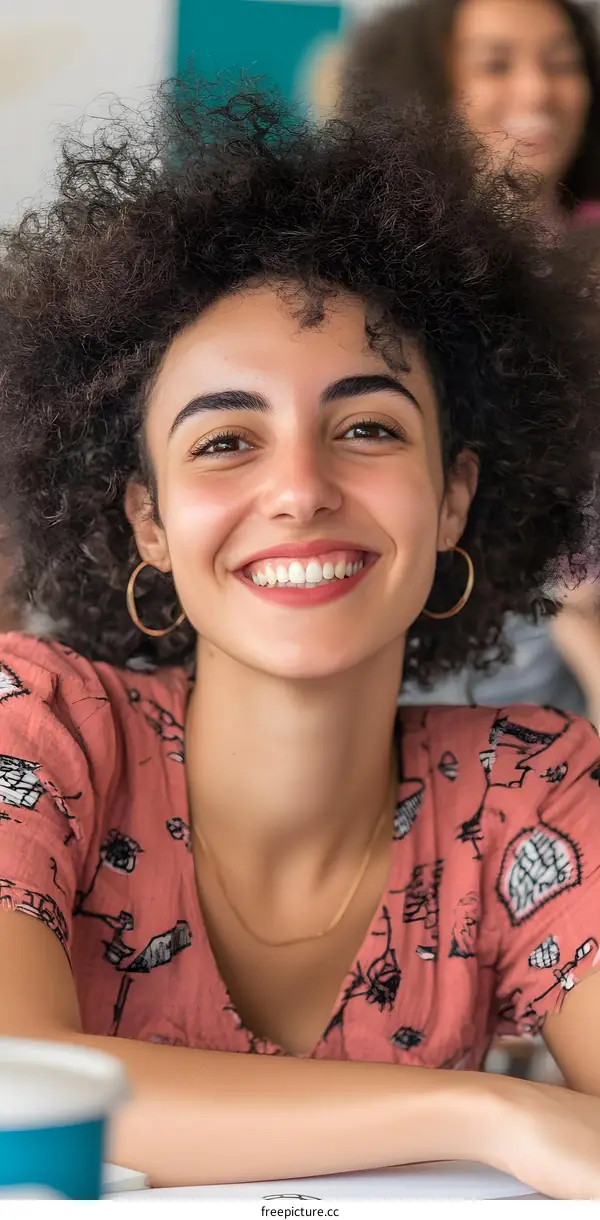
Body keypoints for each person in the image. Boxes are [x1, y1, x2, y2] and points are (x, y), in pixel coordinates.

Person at [1, 84, 600, 1197]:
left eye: (366, 427)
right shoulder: (35, 727)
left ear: (455, 496)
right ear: (149, 518)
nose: (299, 490)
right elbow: (18, 1082)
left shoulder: (527, 788)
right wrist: (489, 1110)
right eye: (227, 440)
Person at [342, 0, 600, 720]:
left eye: (561, 63)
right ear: (422, 87)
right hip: (397, 669)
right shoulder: (368, 272)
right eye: (495, 64)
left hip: (564, 688)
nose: (538, 91)